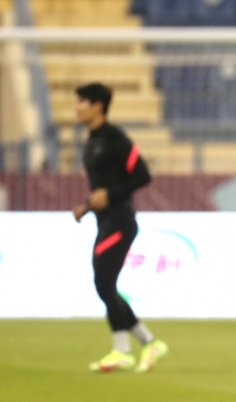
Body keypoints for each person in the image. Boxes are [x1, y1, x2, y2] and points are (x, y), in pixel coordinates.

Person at [72, 83, 168, 373]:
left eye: (81, 102)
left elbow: (143, 175)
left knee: (103, 284)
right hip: (105, 221)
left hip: (120, 222)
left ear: (97, 105)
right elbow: (103, 187)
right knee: (106, 286)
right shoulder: (92, 140)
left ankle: (122, 351)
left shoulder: (115, 138)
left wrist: (111, 197)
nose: (76, 107)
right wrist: (87, 206)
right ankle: (149, 343)